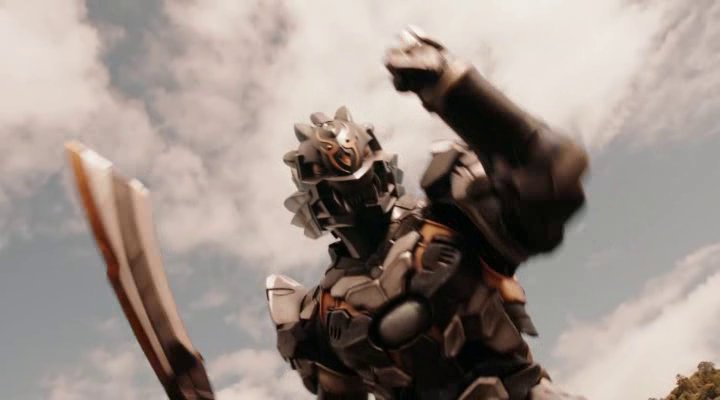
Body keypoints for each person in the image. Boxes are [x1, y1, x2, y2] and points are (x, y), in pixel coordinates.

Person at [266, 28, 588, 400]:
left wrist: (455, 88)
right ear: (317, 202)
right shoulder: (322, 313)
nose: (359, 198)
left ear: (382, 171)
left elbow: (552, 177)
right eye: (341, 192)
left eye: (364, 182)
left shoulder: (449, 220)